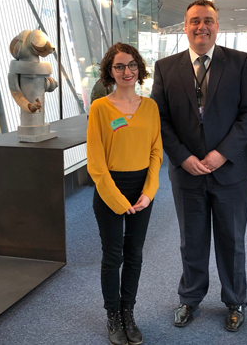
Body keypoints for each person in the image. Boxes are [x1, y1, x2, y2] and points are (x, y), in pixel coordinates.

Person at [151, 0, 247, 332]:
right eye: (195, 21)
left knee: (232, 239)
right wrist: (183, 157)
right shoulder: (165, 67)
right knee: (192, 240)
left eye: (208, 21)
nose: (202, 26)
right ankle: (190, 298)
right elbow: (161, 118)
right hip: (187, 172)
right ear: (184, 26)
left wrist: (222, 154)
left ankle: (235, 301)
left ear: (218, 25)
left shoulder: (240, 62)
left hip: (231, 170)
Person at [87, 43, 163, 345]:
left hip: (142, 190)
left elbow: (156, 151)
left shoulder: (151, 107)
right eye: (119, 66)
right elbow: (95, 163)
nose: (127, 71)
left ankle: (128, 311)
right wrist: (119, 201)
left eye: (131, 65)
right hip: (110, 190)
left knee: (134, 255)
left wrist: (148, 192)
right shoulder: (100, 108)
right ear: (110, 71)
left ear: (139, 69)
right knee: (113, 254)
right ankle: (112, 313)